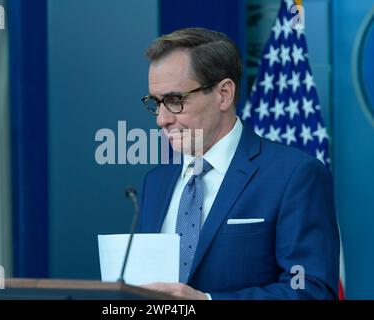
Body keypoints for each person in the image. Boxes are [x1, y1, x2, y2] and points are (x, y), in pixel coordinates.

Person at [137, 28, 339, 299]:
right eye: (156, 103)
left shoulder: (295, 175)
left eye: (174, 101)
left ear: (224, 94)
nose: (161, 119)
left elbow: (310, 289)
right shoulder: (156, 182)